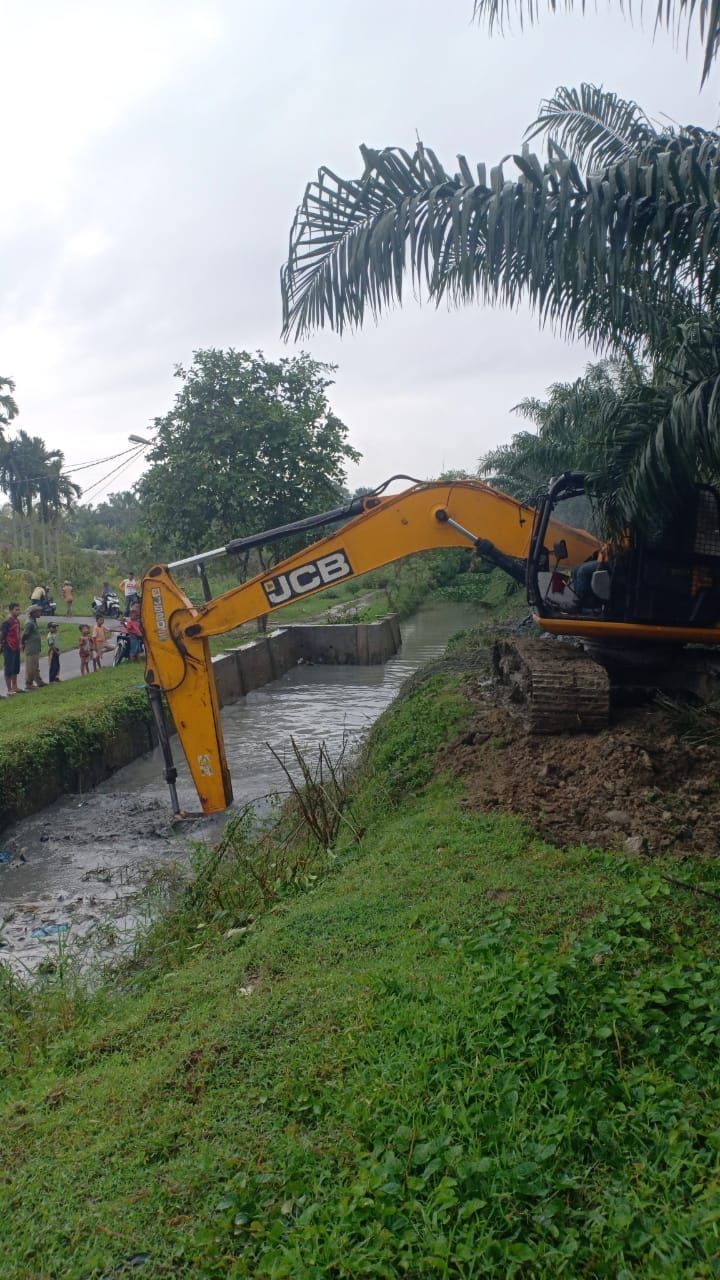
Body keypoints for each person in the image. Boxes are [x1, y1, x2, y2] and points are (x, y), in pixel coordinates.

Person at [22, 605, 45, 689]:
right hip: (31, 647)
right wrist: (22, 644)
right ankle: (29, 684)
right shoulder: (29, 623)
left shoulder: (33, 621)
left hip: (35, 647)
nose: (40, 613)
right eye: (38, 611)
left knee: (35, 666)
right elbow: (25, 634)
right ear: (33, 613)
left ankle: (39, 681)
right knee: (31, 666)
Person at [2, 603, 22, 696]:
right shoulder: (7, 622)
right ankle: (9, 689)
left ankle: (15, 686)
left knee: (15, 667)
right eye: (16, 610)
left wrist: (20, 643)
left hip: (16, 647)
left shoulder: (17, 621)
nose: (18, 611)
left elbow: (18, 633)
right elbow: (3, 635)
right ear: (11, 611)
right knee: (9, 668)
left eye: (19, 609)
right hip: (8, 647)